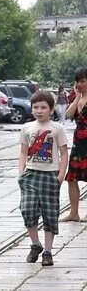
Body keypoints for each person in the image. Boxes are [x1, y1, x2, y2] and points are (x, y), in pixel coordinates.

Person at [18, 89, 68, 267]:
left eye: (43, 107)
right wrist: (21, 173)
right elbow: (23, 152)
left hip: (50, 176)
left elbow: (64, 154)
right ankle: (35, 244)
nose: (39, 110)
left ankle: (48, 251)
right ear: (31, 109)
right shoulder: (27, 128)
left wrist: (60, 177)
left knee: (50, 214)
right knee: (27, 209)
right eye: (35, 107)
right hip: (31, 174)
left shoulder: (57, 129)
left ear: (52, 109)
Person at [63, 68, 87, 222]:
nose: (79, 84)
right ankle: (74, 212)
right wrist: (78, 97)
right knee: (72, 178)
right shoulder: (76, 97)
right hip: (78, 143)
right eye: (77, 82)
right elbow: (69, 115)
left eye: (83, 81)